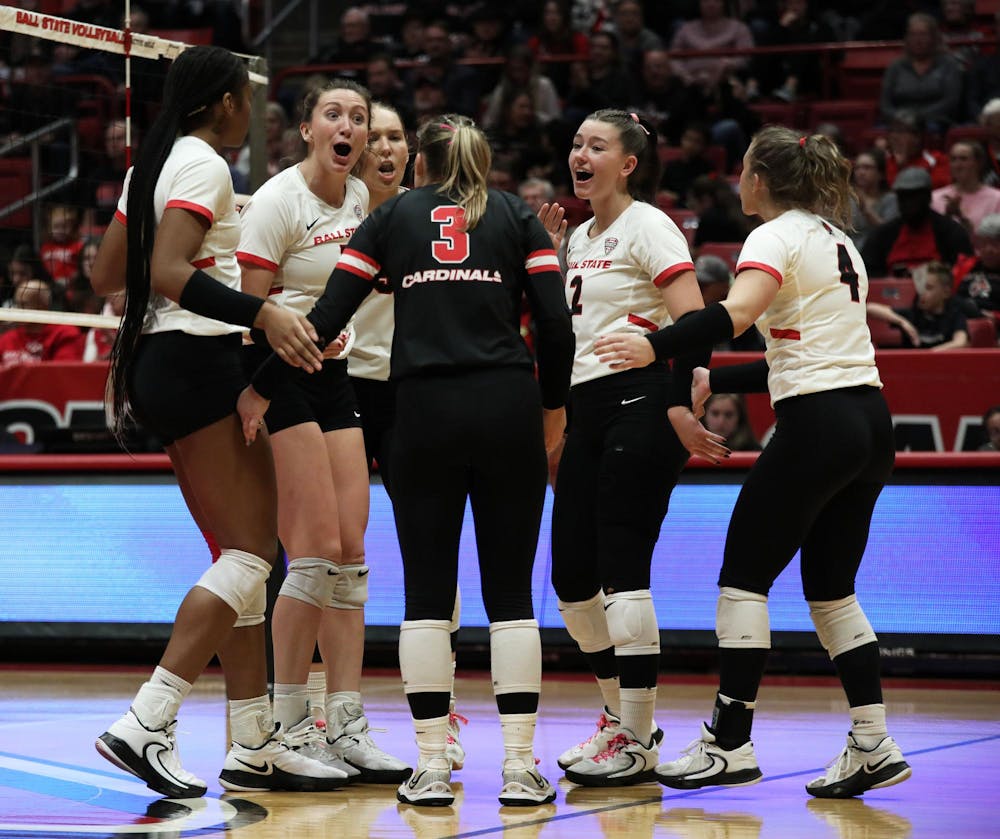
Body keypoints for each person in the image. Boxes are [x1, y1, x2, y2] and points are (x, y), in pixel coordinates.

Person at [237, 114, 575, 808]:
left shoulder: (391, 219)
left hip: (423, 413)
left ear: (420, 161)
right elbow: (555, 324)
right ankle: (518, 765)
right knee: (510, 596)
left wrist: (260, 386)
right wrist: (552, 408)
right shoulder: (517, 215)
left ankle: (428, 765)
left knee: (426, 594)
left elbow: (325, 318)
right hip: (508, 406)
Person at [593, 125, 912, 800]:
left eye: (742, 168)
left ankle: (729, 742)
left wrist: (661, 349)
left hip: (817, 423)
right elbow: (793, 351)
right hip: (868, 422)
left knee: (743, 579)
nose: (738, 178)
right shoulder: (834, 236)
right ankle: (872, 738)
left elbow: (735, 313)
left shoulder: (773, 236)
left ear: (760, 179)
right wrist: (717, 379)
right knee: (831, 590)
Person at [89, 44, 344, 798]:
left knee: (244, 554)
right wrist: (262, 310)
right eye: (244, 98)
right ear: (225, 104)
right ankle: (149, 715)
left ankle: (252, 736)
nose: (249, 111)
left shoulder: (149, 166)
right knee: (253, 553)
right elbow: (168, 270)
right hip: (199, 363)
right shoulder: (202, 163)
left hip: (157, 366)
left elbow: (108, 275)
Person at [236, 79, 411, 785]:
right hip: (271, 378)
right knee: (307, 553)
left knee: (349, 553)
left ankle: (346, 721)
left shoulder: (363, 200)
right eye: (333, 114)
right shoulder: (279, 201)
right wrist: (263, 384)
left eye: (358, 118)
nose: (348, 126)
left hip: (332, 376)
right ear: (306, 128)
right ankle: (289, 720)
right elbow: (246, 312)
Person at [552, 109, 726, 788]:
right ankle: (619, 718)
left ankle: (636, 732)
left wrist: (678, 401)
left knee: (624, 570)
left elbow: (696, 316)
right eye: (575, 144)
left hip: (640, 401)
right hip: (585, 409)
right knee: (571, 582)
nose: (580, 155)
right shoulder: (578, 236)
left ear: (628, 163)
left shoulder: (648, 222)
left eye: (596, 146)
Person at [861, 167, 974, 277]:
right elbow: (868, 274)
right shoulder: (882, 235)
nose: (908, 203)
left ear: (928, 197)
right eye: (903, 197)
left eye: (914, 197)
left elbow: (963, 272)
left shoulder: (951, 232)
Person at [879, 13, 963, 133]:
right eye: (913, 34)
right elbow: (885, 104)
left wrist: (918, 117)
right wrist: (900, 117)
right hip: (899, 122)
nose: (917, 40)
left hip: (936, 122)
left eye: (923, 34)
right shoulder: (895, 67)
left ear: (934, 38)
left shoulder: (948, 65)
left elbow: (950, 101)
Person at [867, 261, 971, 349]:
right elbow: (869, 308)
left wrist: (928, 356)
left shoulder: (954, 316)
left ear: (946, 292)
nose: (922, 293)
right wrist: (902, 322)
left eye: (929, 288)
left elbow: (961, 342)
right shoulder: (912, 315)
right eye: (920, 288)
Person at [0, 278, 84, 364]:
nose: (18, 310)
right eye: (17, 304)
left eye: (24, 304)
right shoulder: (6, 339)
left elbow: (64, 372)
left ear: (43, 306)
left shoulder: (64, 334)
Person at [931, 140, 1000, 234]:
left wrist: (961, 217)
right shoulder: (935, 197)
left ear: (979, 163)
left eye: (963, 159)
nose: (958, 165)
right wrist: (947, 216)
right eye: (953, 159)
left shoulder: (996, 199)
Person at [953, 212, 1000, 324]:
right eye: (984, 243)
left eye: (995, 244)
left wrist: (996, 317)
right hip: (960, 320)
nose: (988, 249)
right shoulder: (965, 266)